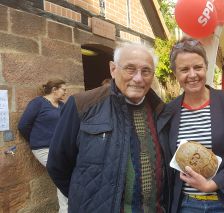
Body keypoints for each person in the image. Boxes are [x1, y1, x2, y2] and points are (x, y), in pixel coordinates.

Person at [46, 43, 170, 213]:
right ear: (113, 69)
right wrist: (85, 200)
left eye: (146, 71)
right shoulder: (82, 105)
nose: (138, 78)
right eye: (130, 69)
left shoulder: (161, 112)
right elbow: (57, 164)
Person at [158, 37, 224, 213]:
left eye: (197, 67)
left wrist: (212, 184)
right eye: (184, 69)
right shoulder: (169, 111)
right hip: (186, 205)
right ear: (176, 74)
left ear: (206, 67)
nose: (192, 74)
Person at [18, 79, 68, 213]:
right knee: (63, 173)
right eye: (63, 89)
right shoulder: (38, 103)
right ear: (54, 90)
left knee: (67, 174)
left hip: (59, 149)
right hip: (43, 148)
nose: (65, 92)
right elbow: (23, 125)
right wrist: (36, 139)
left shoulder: (62, 106)